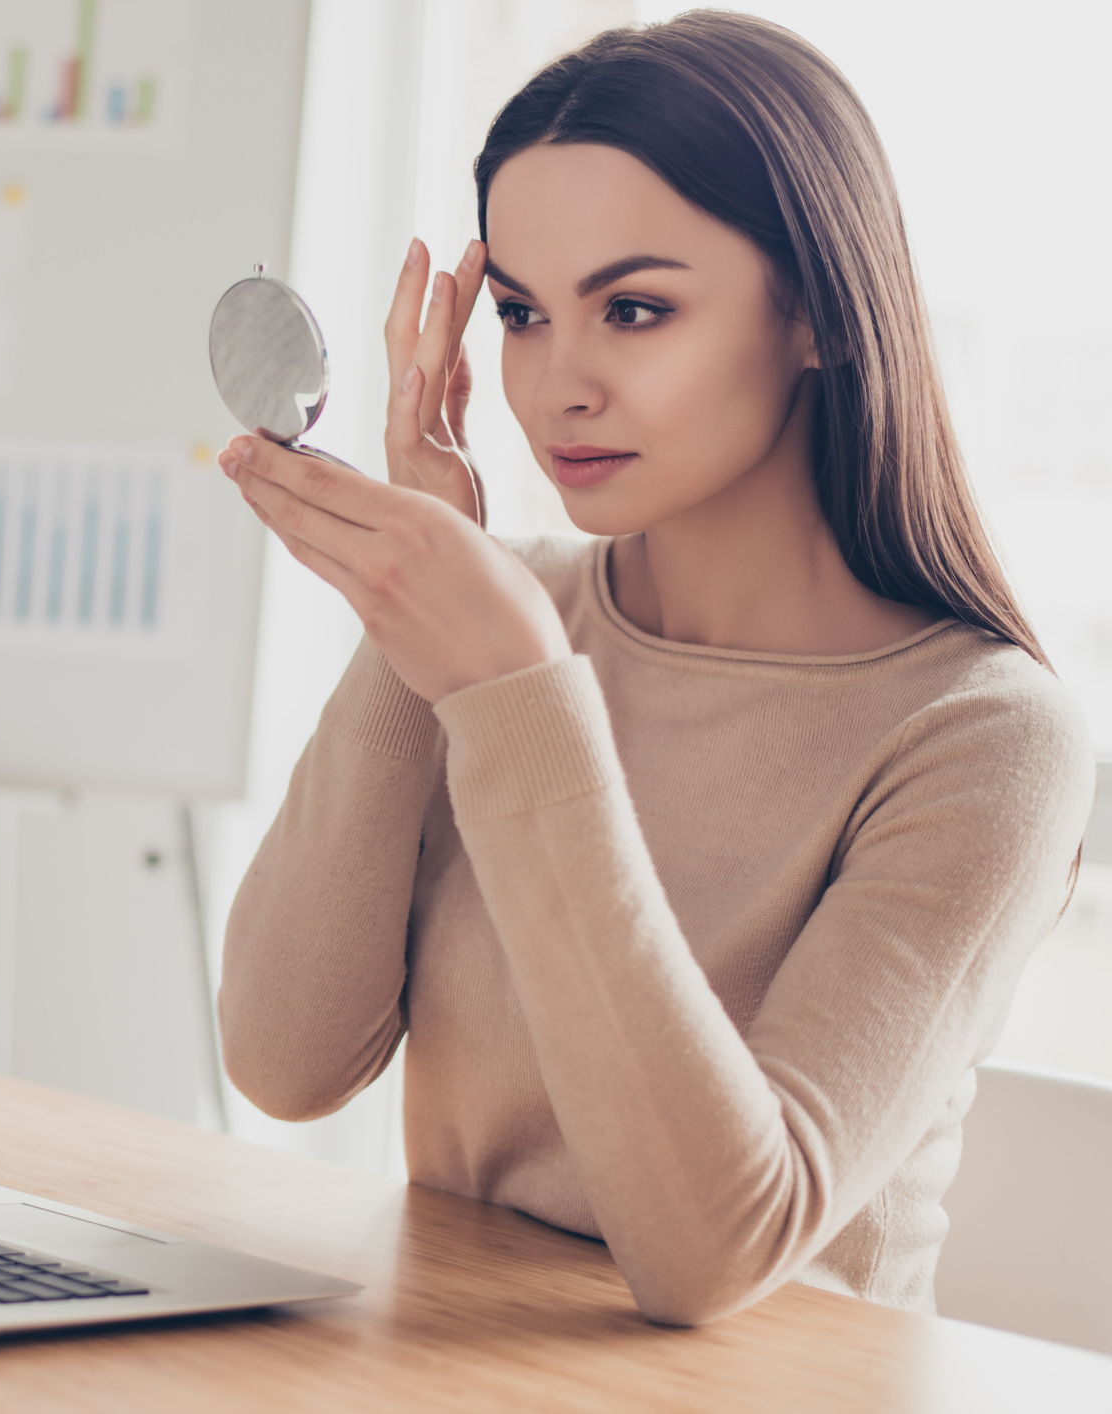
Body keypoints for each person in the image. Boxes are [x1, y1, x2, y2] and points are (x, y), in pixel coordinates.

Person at [214, 10, 1095, 1326]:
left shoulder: (984, 736)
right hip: (453, 1365)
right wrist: (416, 625)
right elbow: (285, 1062)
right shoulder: (497, 616)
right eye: (519, 312)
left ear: (815, 315)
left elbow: (714, 1253)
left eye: (634, 309)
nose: (558, 383)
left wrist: (512, 689)